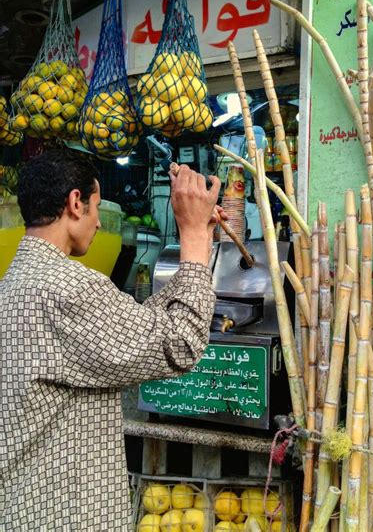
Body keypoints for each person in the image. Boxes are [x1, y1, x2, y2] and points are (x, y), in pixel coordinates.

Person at [0, 149, 223, 530]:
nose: (100, 224)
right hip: (65, 517)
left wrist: (200, 234)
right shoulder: (68, 288)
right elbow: (180, 343)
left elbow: (139, 327)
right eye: (97, 207)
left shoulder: (13, 285)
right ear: (75, 203)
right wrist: (193, 239)